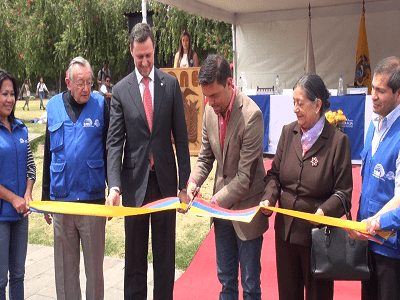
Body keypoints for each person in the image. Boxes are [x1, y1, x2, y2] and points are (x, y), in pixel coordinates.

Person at [106, 23, 190, 300]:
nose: (145, 62)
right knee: (135, 260)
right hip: (134, 186)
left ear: (155, 50)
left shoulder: (171, 85)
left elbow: (181, 136)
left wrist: (183, 185)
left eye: (149, 56)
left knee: (165, 259)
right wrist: (115, 187)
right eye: (140, 56)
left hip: (165, 183)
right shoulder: (120, 91)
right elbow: (115, 142)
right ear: (131, 51)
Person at [260, 73, 353, 300]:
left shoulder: (338, 142)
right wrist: (269, 198)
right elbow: (274, 175)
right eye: (293, 102)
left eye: (300, 103)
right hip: (286, 235)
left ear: (317, 104)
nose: (295, 109)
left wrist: (324, 211)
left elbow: (343, 194)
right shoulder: (287, 132)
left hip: (318, 238)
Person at [186, 54, 269, 299]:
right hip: (221, 213)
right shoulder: (210, 112)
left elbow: (244, 177)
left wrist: (212, 203)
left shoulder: (251, 116)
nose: (209, 102)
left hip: (246, 213)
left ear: (230, 84)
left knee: (251, 285)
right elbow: (204, 158)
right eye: (205, 96)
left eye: (214, 95)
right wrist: (193, 183)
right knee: (226, 282)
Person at [42, 56, 109, 300]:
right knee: (65, 272)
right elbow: (49, 154)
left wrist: (112, 191)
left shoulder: (101, 105)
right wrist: (45, 198)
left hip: (92, 202)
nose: (85, 89)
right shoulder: (53, 107)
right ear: (68, 82)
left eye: (89, 83)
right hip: (62, 201)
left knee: (95, 272)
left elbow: (109, 151)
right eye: (80, 83)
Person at [349, 56, 400, 300]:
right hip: (368, 241)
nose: (374, 96)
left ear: (398, 94)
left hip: (392, 248)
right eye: (372, 90)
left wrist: (377, 222)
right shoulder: (373, 125)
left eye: (381, 91)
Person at [0, 69, 36, 300]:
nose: (10, 99)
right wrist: (13, 198)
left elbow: (31, 166)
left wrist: (28, 194)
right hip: (2, 216)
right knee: (0, 279)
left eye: (12, 93)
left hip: (21, 215)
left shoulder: (21, 127)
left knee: (19, 276)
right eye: (4, 93)